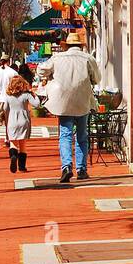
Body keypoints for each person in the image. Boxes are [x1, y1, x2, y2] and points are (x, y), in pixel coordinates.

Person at [36, 31, 100, 184]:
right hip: (82, 101)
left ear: (67, 45)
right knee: (82, 135)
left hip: (63, 101)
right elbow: (96, 79)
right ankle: (82, 168)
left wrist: (50, 77)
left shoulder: (57, 58)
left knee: (65, 134)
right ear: (80, 46)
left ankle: (66, 166)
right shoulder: (88, 58)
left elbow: (41, 70)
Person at [0, 74, 41, 173]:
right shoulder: (26, 95)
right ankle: (22, 167)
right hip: (24, 120)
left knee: (13, 143)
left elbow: (5, 108)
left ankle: (13, 155)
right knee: (23, 144)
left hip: (12, 121)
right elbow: (37, 104)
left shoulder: (8, 96)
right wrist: (34, 95)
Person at [0, 55, 18, 149]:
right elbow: (16, 86)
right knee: (8, 120)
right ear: (8, 61)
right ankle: (7, 138)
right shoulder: (13, 72)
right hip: (9, 99)